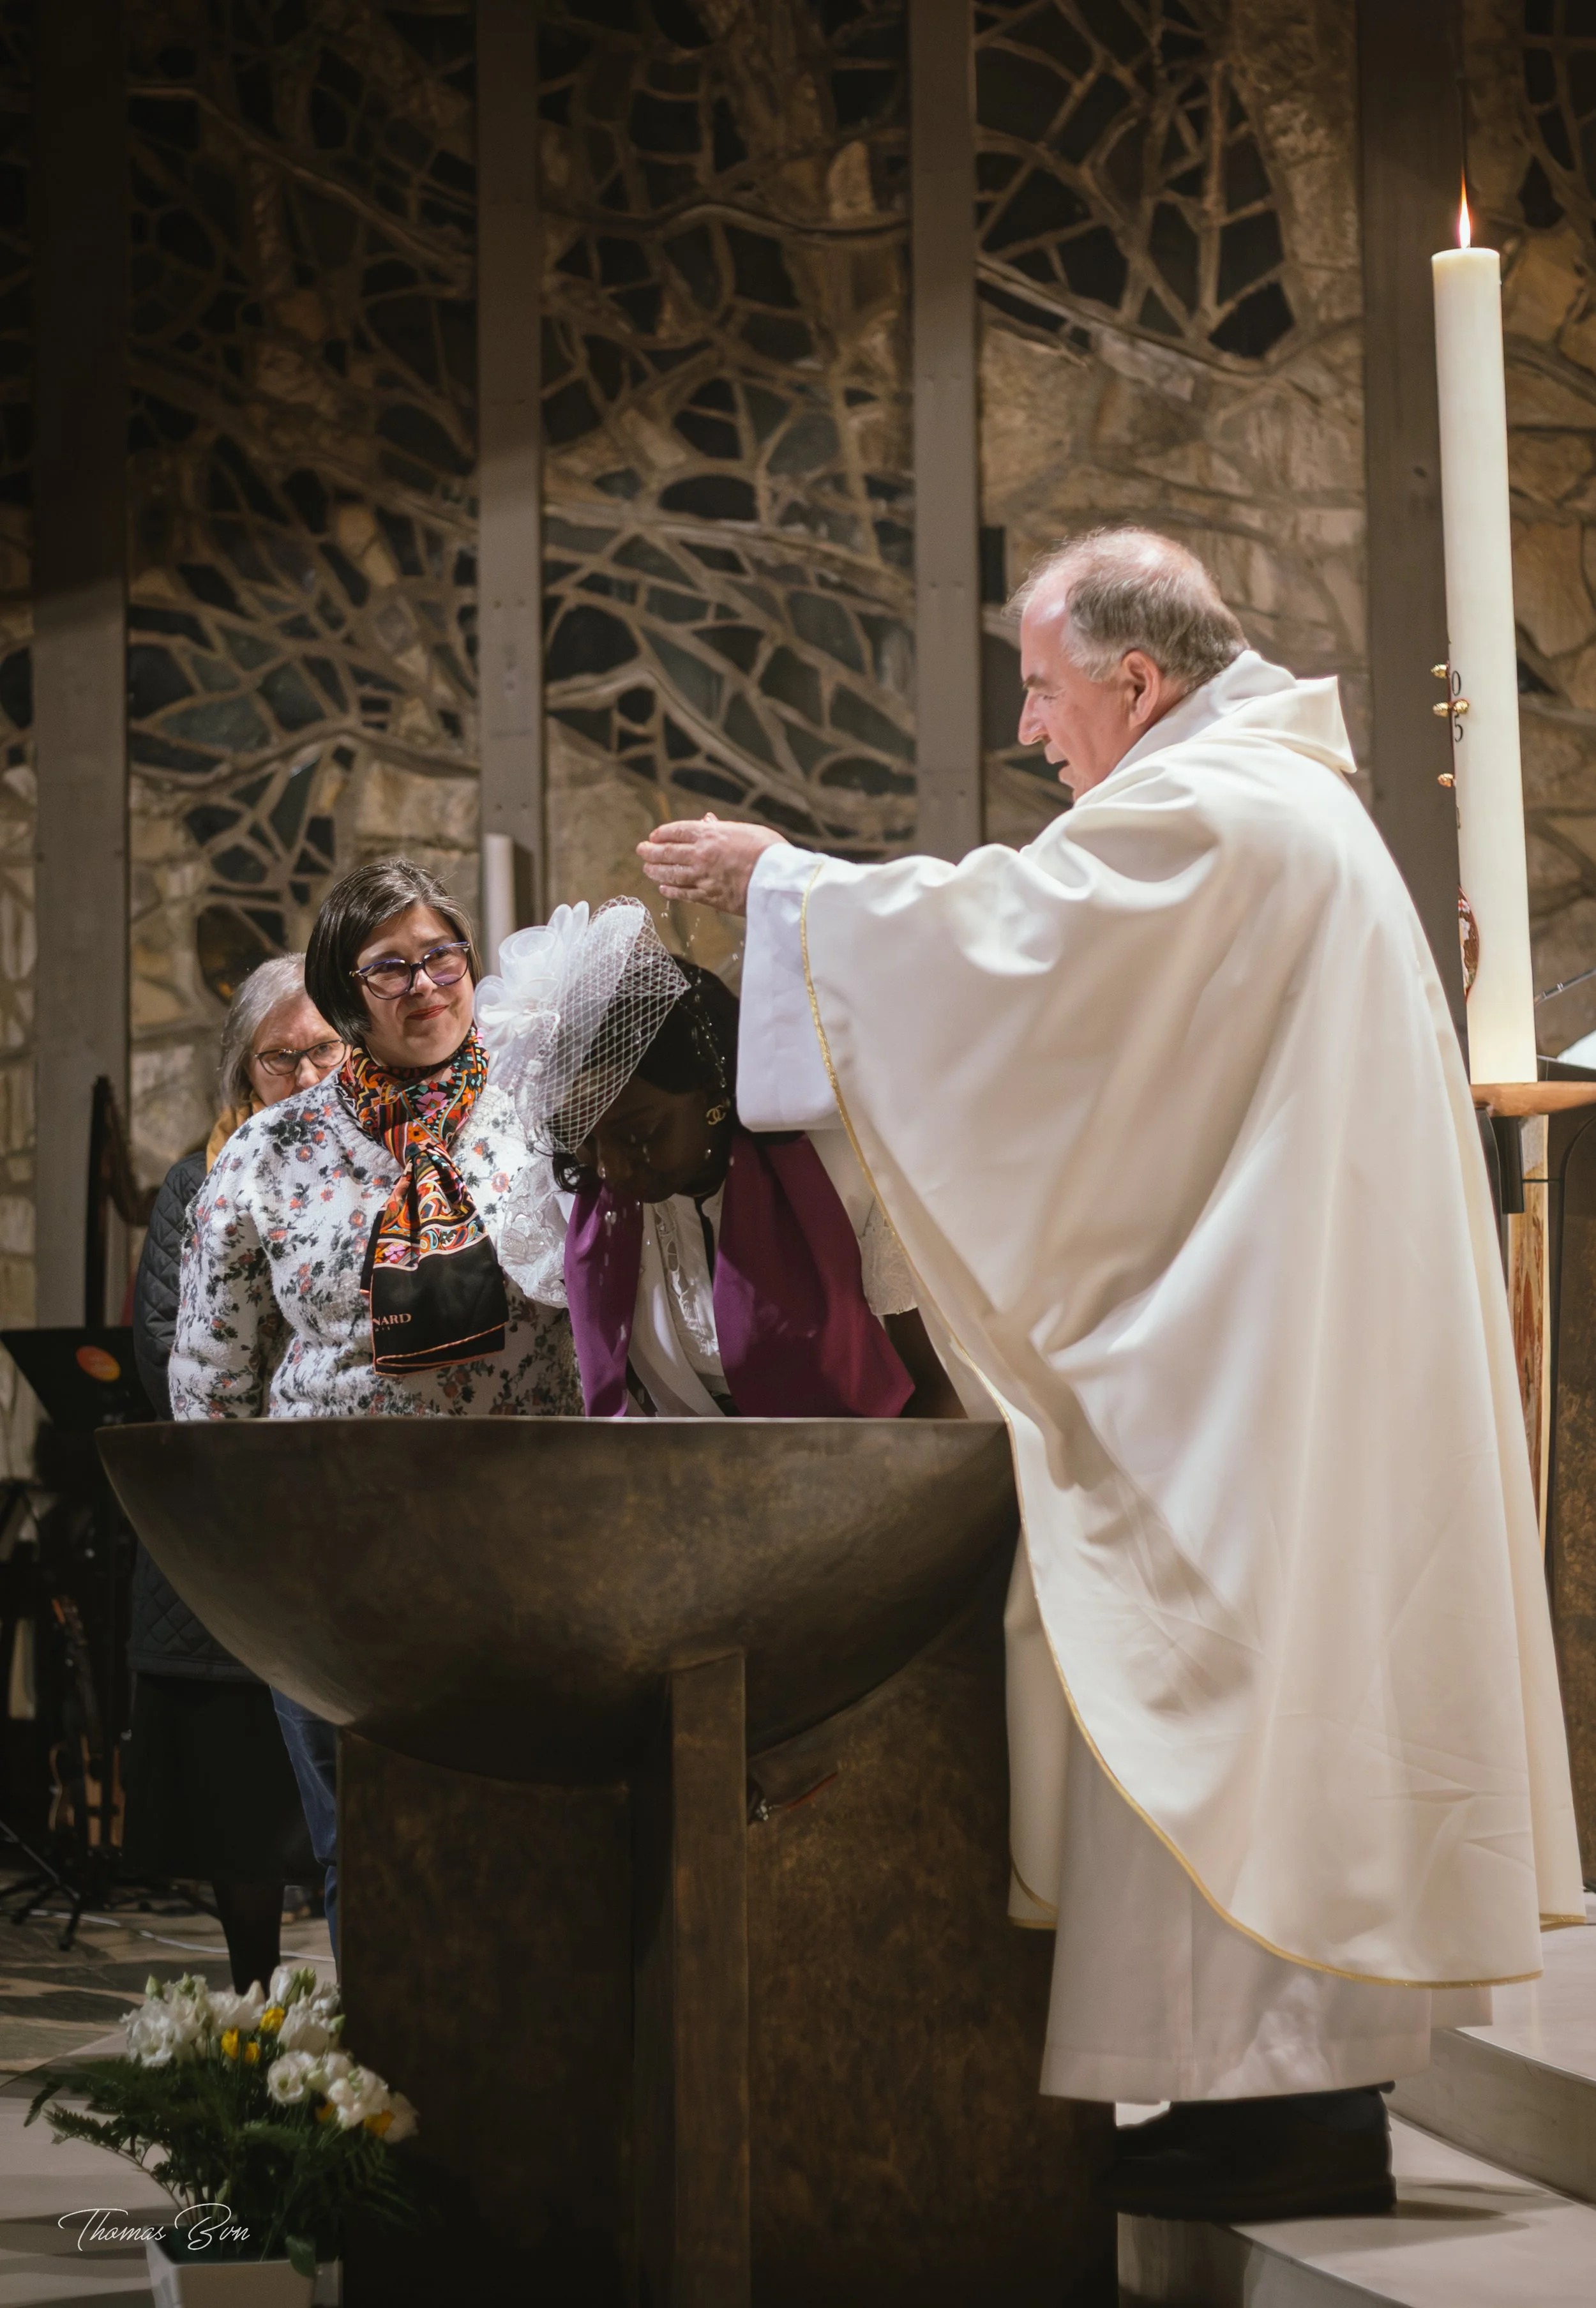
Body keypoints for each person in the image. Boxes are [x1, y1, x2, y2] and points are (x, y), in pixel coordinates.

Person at [637, 525, 1585, 2224]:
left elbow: (1013, 946)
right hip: (1266, 1336)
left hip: (1256, 1365)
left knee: (1216, 1680)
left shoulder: (1222, 811)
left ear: (1137, 679)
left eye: (1041, 686)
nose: (1028, 725)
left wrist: (790, 883)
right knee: (1246, 1693)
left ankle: (1287, 2110)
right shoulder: (1272, 803)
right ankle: (1272, 2100)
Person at [170, 859, 583, 1950]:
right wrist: (252, 1570)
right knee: (369, 1848)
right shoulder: (272, 1151)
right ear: (343, 995)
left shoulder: (543, 1112)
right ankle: (385, 2059)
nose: (425, 985)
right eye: (389, 968)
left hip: (530, 1540)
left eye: (441, 956)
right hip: (334, 1557)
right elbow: (212, 1378)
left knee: (539, 1834)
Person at [474, 897, 961, 1419]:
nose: (612, 1168)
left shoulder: (843, 1172)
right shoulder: (584, 1208)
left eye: (640, 1133)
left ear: (713, 1091)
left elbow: (938, 1386)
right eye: (588, 1140)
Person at [123, 954, 343, 1991]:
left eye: (323, 1050)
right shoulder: (197, 1183)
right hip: (231, 1533)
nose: (305, 1076)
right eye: (278, 1058)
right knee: (243, 1808)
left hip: (341, 1528)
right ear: (244, 1072)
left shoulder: (388, 1168)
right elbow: (171, 1354)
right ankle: (258, 2011)